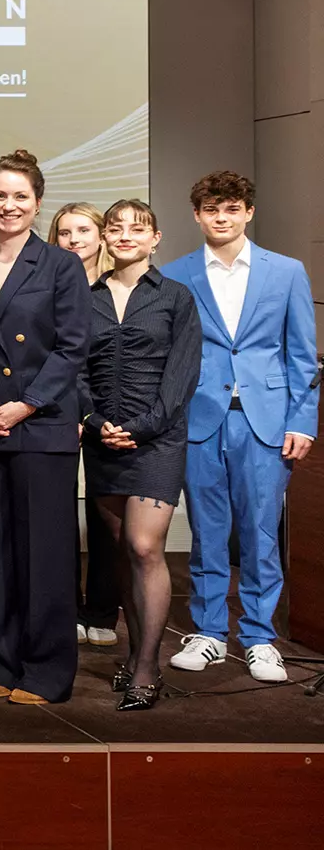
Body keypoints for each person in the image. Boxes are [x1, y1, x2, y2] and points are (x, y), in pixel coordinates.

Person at [0, 150, 91, 705]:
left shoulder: (60, 265)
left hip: (41, 425)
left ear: (37, 203)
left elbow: (73, 348)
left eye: (20, 197)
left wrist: (25, 404)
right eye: (0, 196)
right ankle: (2, 662)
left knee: (45, 554)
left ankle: (48, 672)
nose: (9, 206)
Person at [161, 170, 317, 683]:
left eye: (231, 209)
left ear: (248, 212)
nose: (221, 218)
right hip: (201, 419)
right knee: (207, 532)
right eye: (211, 210)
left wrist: (303, 422)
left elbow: (301, 355)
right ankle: (208, 632)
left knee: (260, 531)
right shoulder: (177, 274)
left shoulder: (286, 271)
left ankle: (257, 636)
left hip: (266, 421)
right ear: (197, 216)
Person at [82, 200, 200, 711]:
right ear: (105, 237)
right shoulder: (84, 298)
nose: (126, 235)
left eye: (138, 228)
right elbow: (72, 369)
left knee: (145, 545)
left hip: (158, 438)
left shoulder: (176, 297)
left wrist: (140, 427)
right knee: (121, 549)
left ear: (156, 238)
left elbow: (182, 377)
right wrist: (93, 422)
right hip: (102, 438)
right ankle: (133, 657)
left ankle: (149, 667)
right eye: (116, 227)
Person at [49, 201, 119, 648]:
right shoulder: (49, 285)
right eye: (64, 232)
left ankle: (102, 610)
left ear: (101, 236)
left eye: (82, 230)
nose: (74, 240)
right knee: (58, 516)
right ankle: (67, 609)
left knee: (104, 514)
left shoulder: (117, 289)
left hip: (107, 415)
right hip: (57, 410)